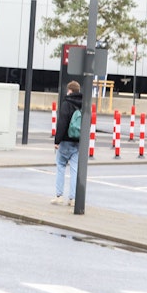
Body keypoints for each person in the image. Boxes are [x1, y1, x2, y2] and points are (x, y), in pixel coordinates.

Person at [52, 79, 83, 209]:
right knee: (75, 170)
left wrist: (57, 141)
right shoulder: (83, 104)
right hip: (78, 141)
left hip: (65, 140)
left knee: (60, 166)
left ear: (70, 90)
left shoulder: (66, 103)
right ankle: (73, 199)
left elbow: (62, 123)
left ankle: (59, 196)